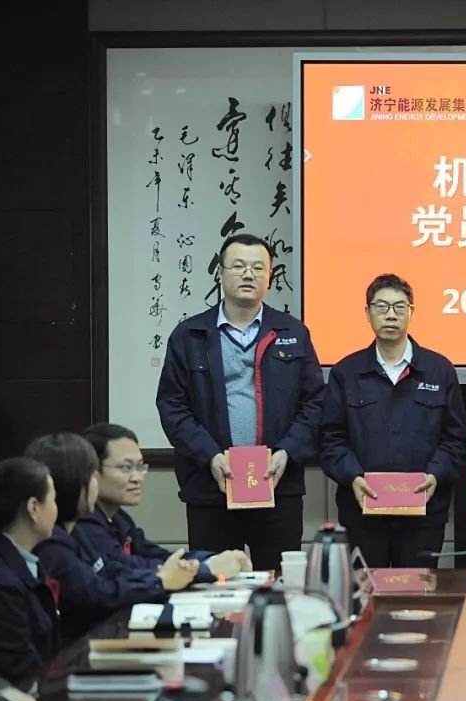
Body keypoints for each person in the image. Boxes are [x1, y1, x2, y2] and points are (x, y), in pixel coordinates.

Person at [156, 233, 325, 572]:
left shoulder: (293, 333)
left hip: (278, 486)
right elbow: (173, 406)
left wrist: (287, 452)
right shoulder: (189, 335)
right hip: (210, 486)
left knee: (277, 584)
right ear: (220, 272)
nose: (249, 274)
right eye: (238, 266)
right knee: (214, 584)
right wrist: (210, 455)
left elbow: (315, 402)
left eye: (258, 267)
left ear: (269, 276)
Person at [319, 274, 466, 568]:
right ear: (367, 312)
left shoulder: (439, 370)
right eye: (382, 306)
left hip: (423, 515)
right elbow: (330, 439)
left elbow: (456, 439)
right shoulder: (346, 373)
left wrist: (435, 475)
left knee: (416, 594)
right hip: (363, 513)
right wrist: (353, 477)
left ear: (412, 312)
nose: (391, 315)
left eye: (399, 307)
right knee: (365, 591)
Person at [27, 434, 198, 643]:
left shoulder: (100, 524)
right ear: (71, 483)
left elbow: (118, 570)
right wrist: (160, 581)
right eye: (92, 476)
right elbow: (98, 593)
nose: (96, 486)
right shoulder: (53, 542)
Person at [75, 423, 251, 580]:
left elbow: (156, 556)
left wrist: (213, 559)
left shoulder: (119, 519)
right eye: (126, 468)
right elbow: (124, 569)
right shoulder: (84, 522)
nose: (137, 478)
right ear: (92, 471)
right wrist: (204, 569)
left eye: (140, 467)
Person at [0, 457, 59, 691]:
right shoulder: (3, 584)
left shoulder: (26, 561)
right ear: (34, 508)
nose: (56, 509)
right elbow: (23, 671)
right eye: (53, 500)